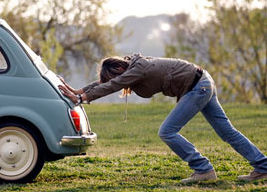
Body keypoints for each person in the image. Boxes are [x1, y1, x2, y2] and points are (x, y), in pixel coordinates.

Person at [58, 53, 267, 183]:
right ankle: (263, 167)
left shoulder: (138, 69)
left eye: (117, 76)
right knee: (227, 131)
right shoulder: (132, 66)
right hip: (202, 81)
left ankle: (203, 169)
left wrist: (82, 97)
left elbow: (112, 85)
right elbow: (105, 83)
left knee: (167, 131)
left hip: (198, 87)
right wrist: (77, 91)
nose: (120, 83)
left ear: (120, 69)